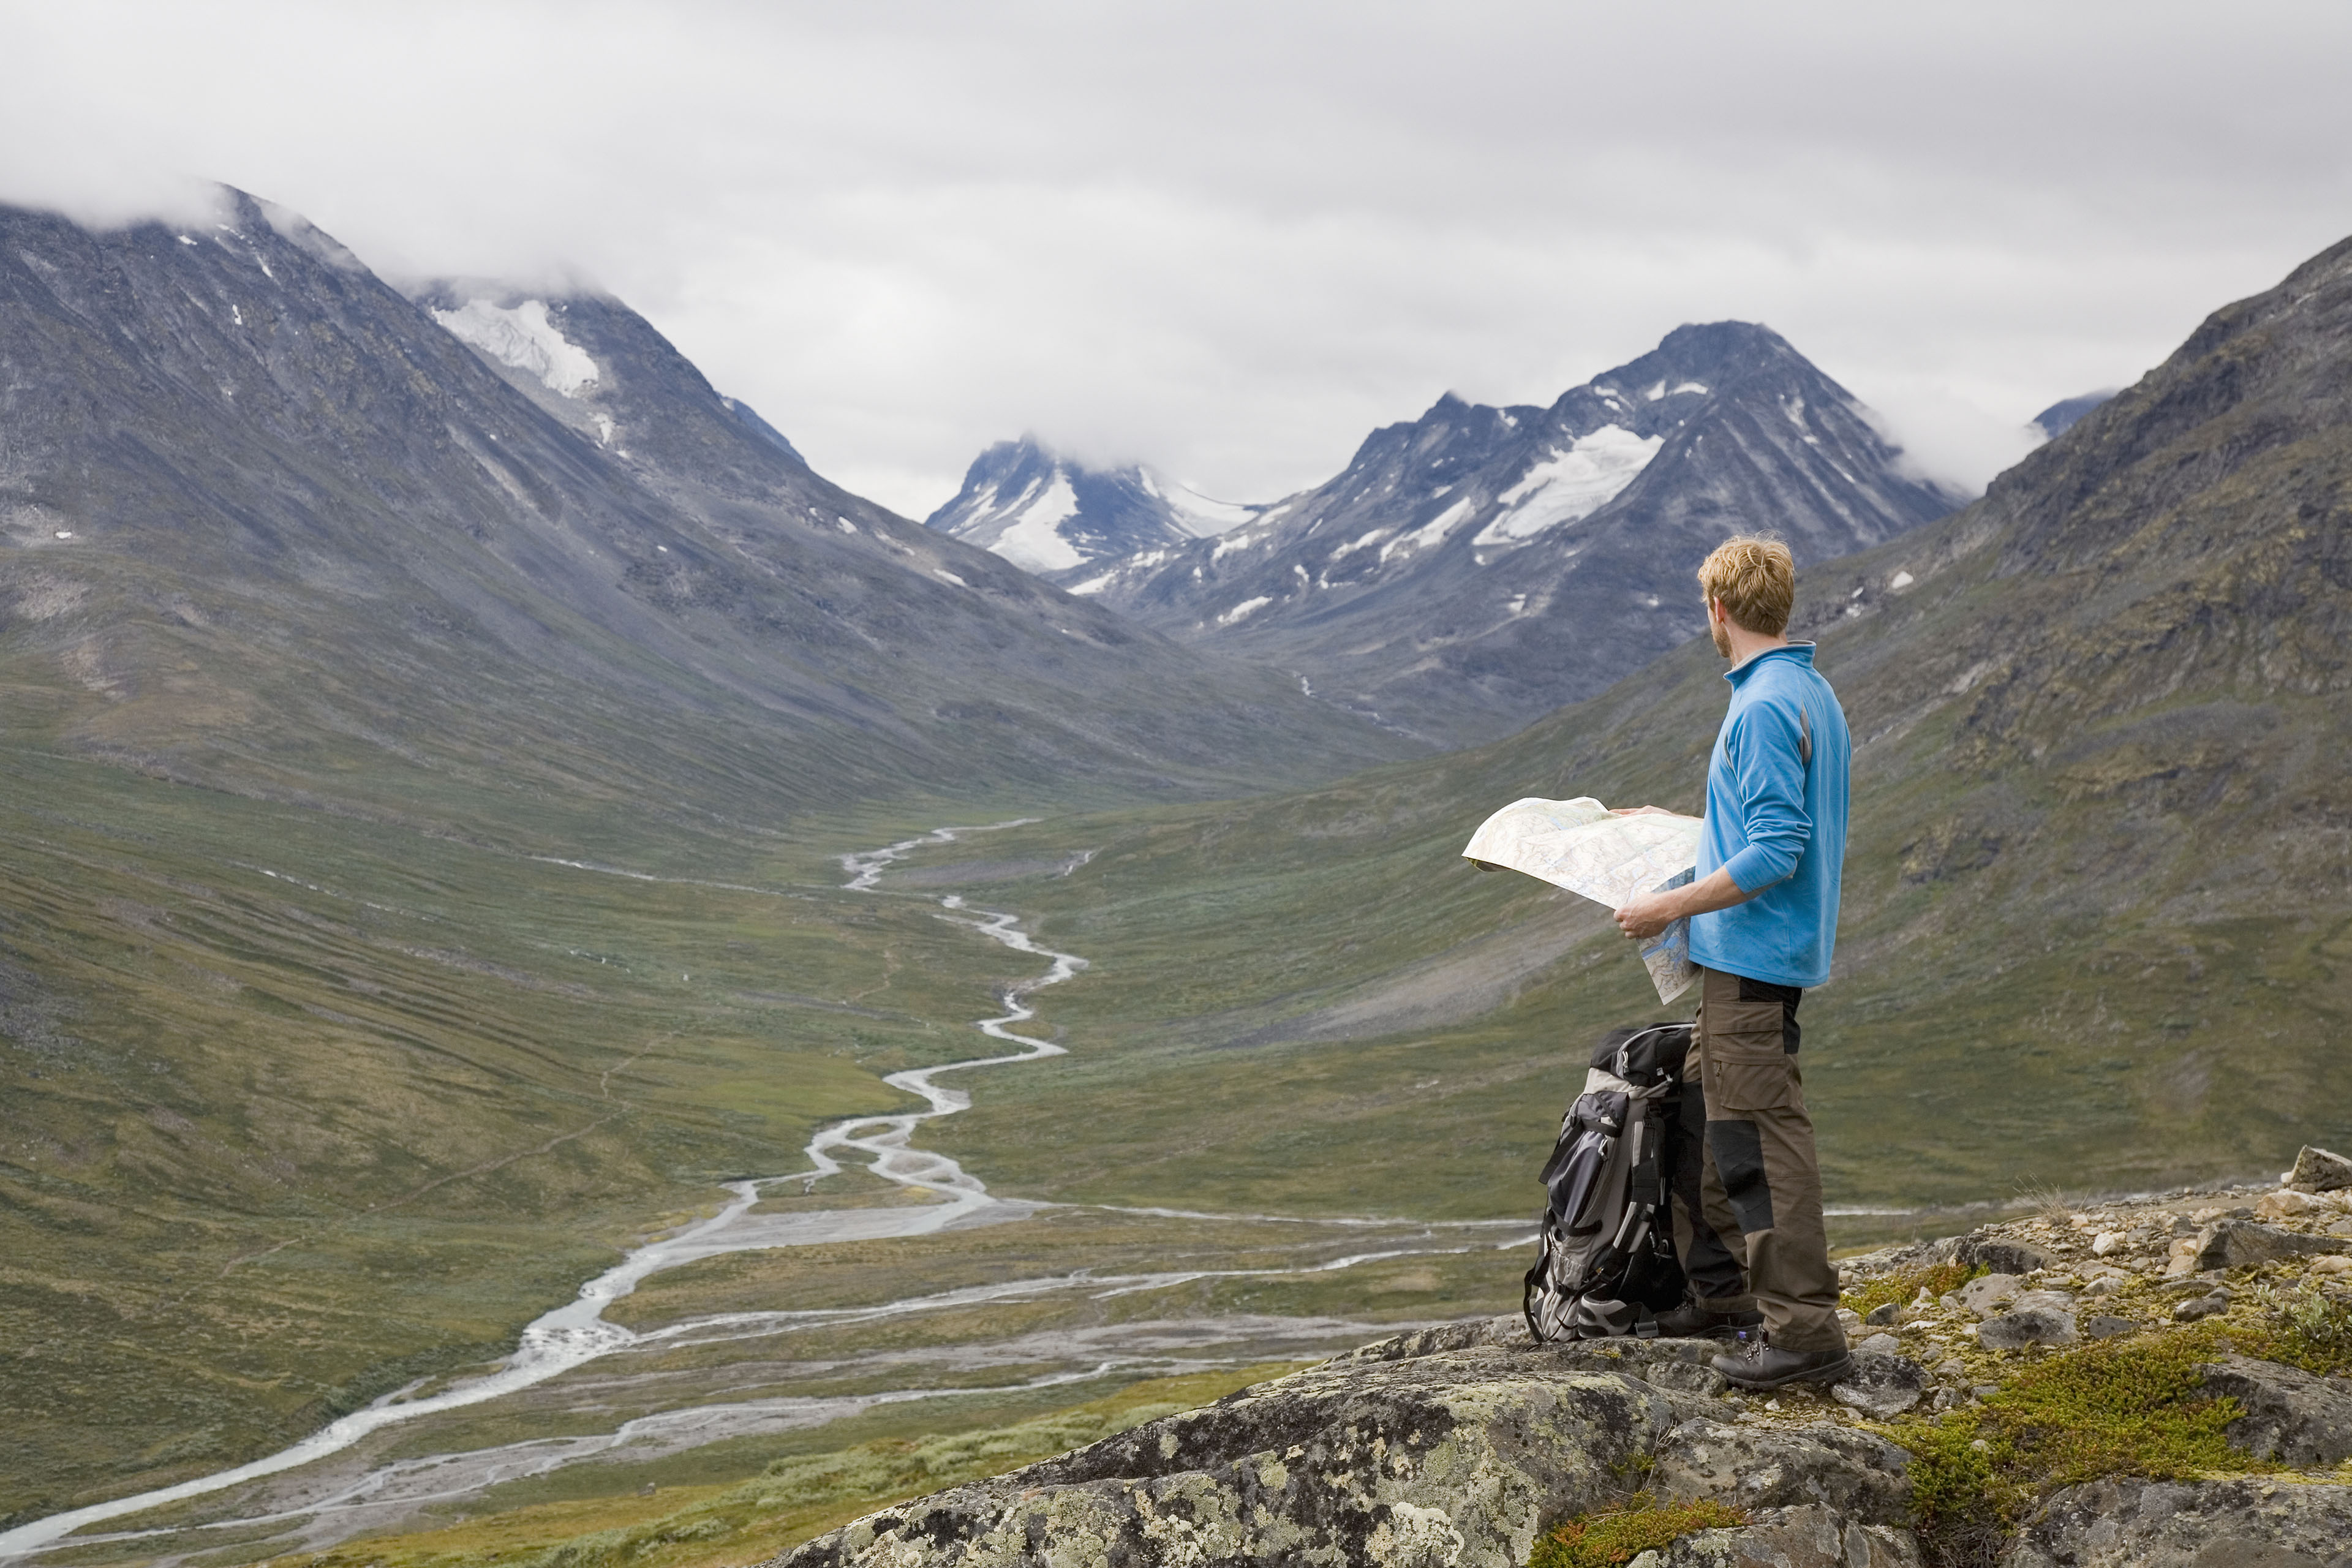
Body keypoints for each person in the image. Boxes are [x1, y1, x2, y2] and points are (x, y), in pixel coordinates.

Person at [1610, 534, 1853, 1390]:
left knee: (1760, 1137)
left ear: (1717, 610)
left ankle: (1804, 1334)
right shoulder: (1802, 689)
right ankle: (1724, 1294)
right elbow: (1758, 824)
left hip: (1752, 958)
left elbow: (1778, 849)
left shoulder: (1758, 708)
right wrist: (1676, 824)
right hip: (1757, 958)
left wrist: (1663, 908)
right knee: (1713, 1115)